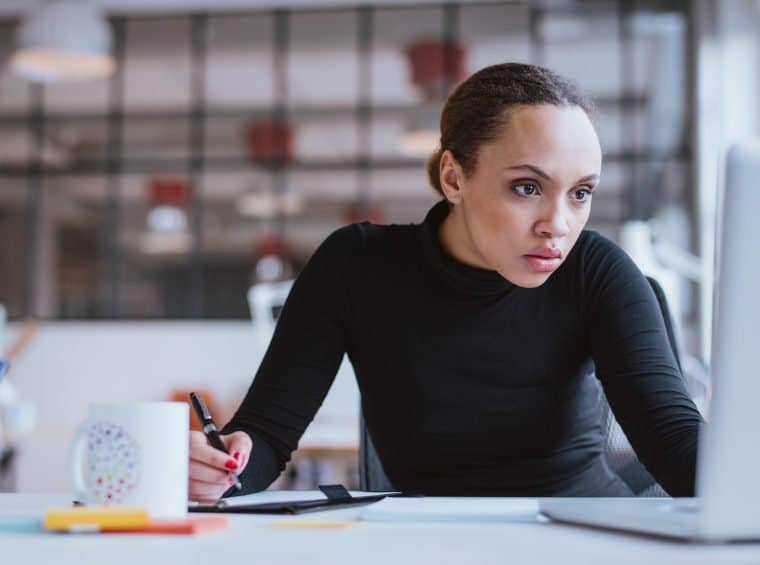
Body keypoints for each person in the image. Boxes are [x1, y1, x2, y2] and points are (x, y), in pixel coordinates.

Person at [188, 62, 703, 502]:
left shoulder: (599, 271)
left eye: (581, 193)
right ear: (455, 178)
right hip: (430, 539)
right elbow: (265, 439)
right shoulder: (356, 266)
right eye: (527, 187)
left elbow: (675, 444)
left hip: (583, 533)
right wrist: (218, 472)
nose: (559, 224)